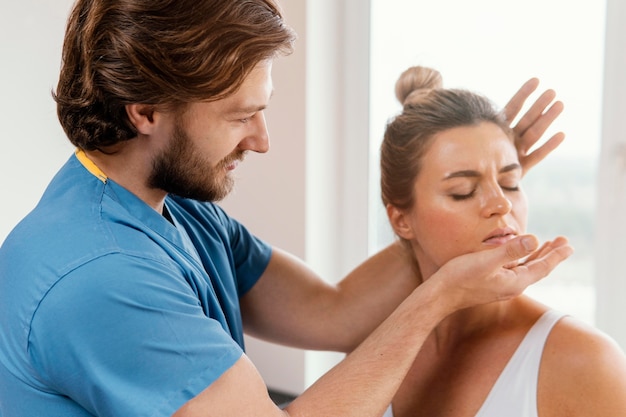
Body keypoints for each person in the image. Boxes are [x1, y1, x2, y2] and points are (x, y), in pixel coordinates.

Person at [0, 1, 573, 416]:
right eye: (238, 115)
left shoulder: (174, 206)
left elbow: (334, 311)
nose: (262, 139)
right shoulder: (100, 275)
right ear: (145, 111)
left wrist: (469, 191)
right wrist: (437, 299)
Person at [378, 66, 626, 417]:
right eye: (463, 191)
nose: (501, 204)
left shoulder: (585, 361)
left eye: (511, 183)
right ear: (401, 220)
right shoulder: (375, 347)